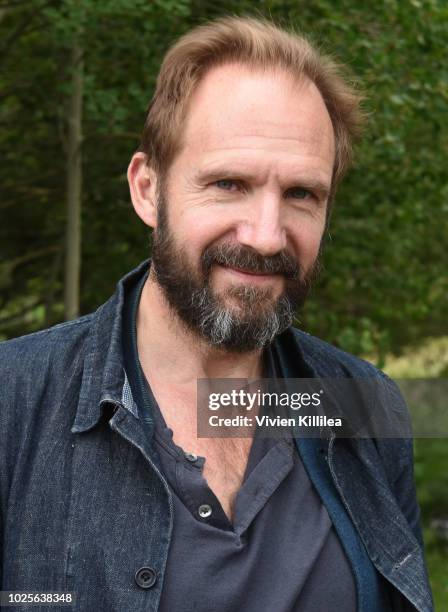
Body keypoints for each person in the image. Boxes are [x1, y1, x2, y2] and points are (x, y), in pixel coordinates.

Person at [0, 16, 433, 612]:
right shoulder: (14, 404)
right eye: (228, 184)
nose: (264, 235)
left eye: (302, 194)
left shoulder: (361, 405)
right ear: (148, 189)